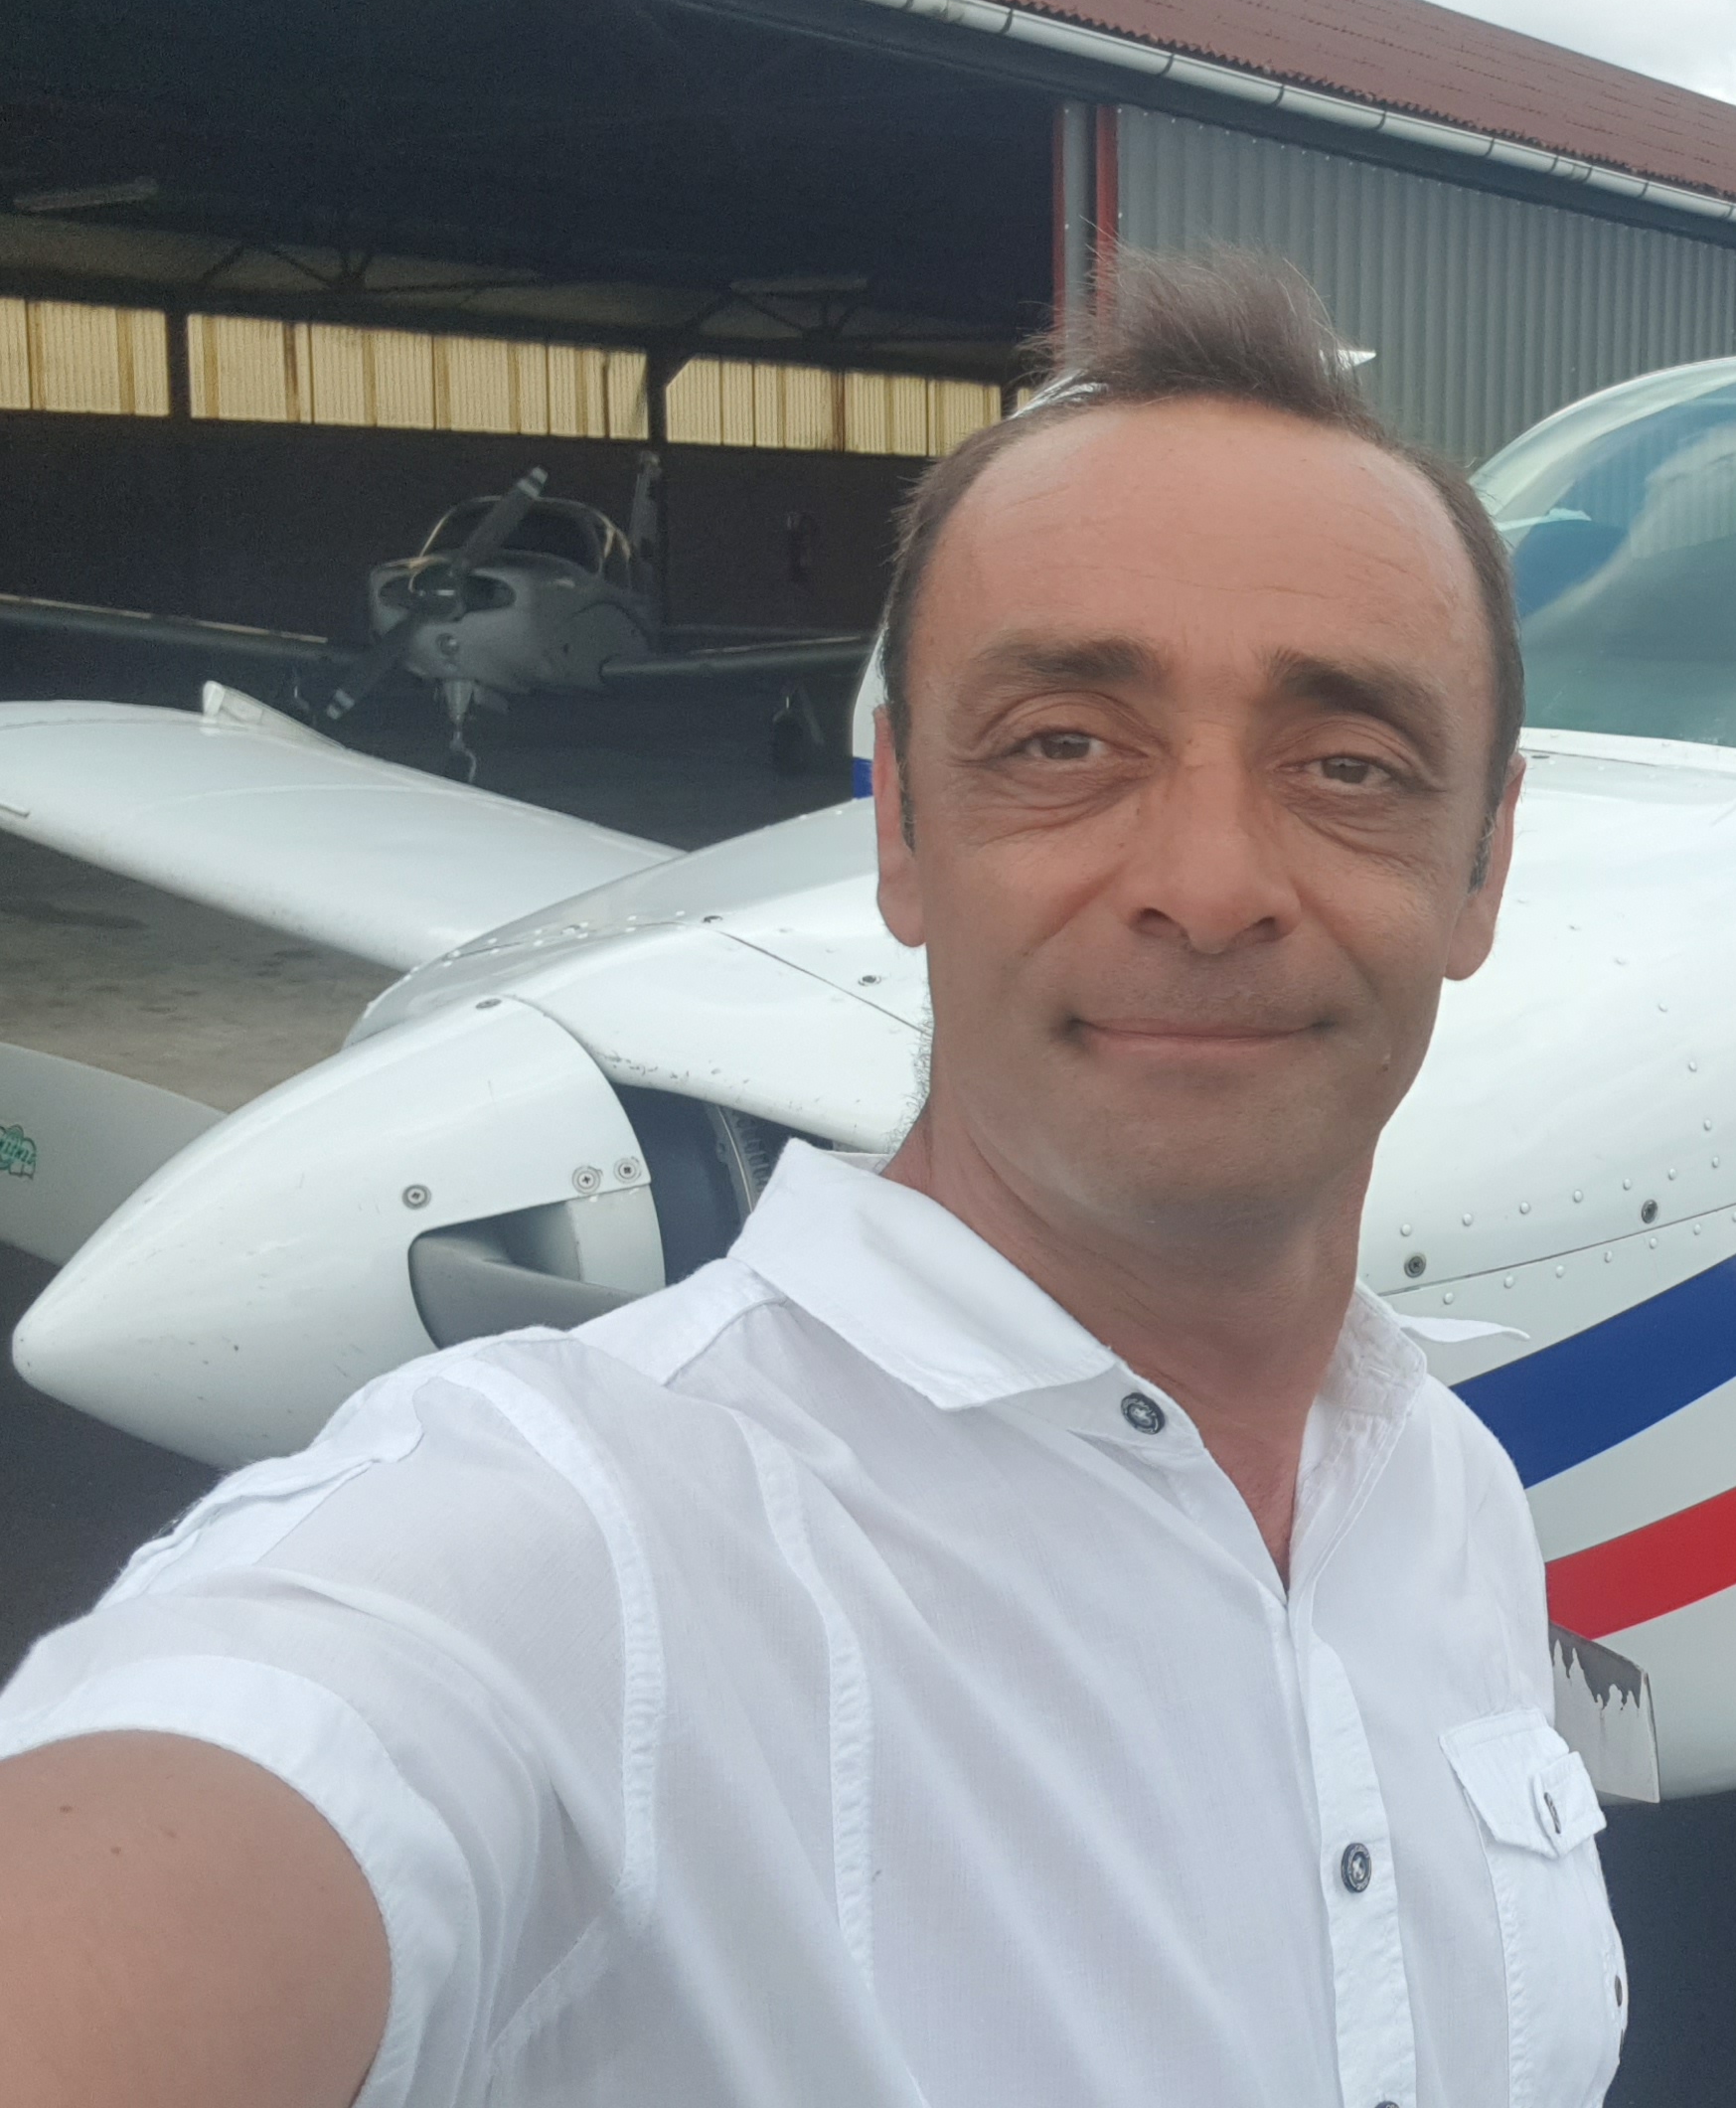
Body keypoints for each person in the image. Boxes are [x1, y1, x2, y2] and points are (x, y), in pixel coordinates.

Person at [0, 254, 1626, 2108]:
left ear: (1483, 866)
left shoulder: (1451, 1496)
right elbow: (243, 1782)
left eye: (1349, 764)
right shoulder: (562, 1544)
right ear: (903, 832)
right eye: (1063, 747)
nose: (1208, 883)